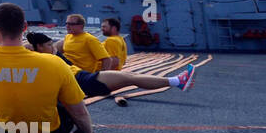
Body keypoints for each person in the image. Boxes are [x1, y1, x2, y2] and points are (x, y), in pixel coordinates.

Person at [0, 2, 99, 133]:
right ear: (25, 27)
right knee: (62, 96)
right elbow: (78, 111)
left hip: (6, 130)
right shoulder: (54, 62)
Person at [26, 32, 194, 94]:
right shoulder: (40, 58)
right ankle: (177, 82)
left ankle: (177, 82)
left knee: (130, 77)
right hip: (84, 82)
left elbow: (53, 46)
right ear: (39, 47)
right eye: (48, 45)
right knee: (130, 77)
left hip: (85, 77)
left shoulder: (50, 52)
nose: (52, 47)